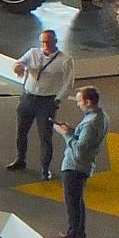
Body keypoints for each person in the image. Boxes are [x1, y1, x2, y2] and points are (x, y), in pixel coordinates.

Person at [10, 28, 75, 179]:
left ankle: (45, 168)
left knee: (45, 136)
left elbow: (68, 83)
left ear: (55, 42)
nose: (45, 45)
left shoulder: (65, 60)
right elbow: (19, 62)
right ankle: (20, 159)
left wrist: (57, 100)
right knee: (21, 132)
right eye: (43, 42)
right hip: (28, 98)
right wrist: (18, 68)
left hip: (47, 102)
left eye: (48, 42)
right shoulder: (33, 52)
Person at [53, 86, 108, 238]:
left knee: (72, 203)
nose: (78, 104)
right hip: (85, 165)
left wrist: (66, 134)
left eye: (80, 101)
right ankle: (79, 233)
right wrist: (72, 130)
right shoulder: (101, 116)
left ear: (88, 102)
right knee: (78, 201)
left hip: (75, 166)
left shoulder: (91, 123)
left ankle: (72, 237)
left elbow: (80, 149)